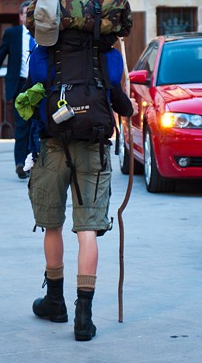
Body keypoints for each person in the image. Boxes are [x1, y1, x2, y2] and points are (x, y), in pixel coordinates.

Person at [22, 25, 133, 342]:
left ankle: (55, 302)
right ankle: (84, 318)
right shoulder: (108, 56)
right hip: (93, 150)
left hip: (53, 147)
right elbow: (117, 96)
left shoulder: (43, 54)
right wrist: (127, 106)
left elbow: (34, 89)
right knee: (87, 230)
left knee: (52, 224)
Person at [0, 0, 36, 179]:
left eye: (31, 13)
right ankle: (21, 164)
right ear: (20, 17)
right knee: (22, 126)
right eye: (25, 13)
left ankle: (33, 161)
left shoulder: (45, 33)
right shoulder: (12, 34)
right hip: (20, 85)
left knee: (36, 126)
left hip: (38, 85)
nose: (27, 16)